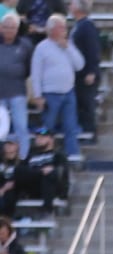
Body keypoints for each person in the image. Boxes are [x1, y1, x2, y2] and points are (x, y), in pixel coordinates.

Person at [28, 12, 80, 161]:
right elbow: (36, 73)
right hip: (50, 95)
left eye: (65, 27)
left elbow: (79, 65)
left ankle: (73, 157)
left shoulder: (68, 45)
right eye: (61, 27)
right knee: (47, 128)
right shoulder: (42, 48)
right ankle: (43, 157)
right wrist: (38, 95)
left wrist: (68, 48)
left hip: (69, 93)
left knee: (71, 127)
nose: (64, 30)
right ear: (52, 29)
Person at [0, 14, 32, 158]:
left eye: (12, 27)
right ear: (1, 28)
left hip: (18, 93)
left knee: (21, 127)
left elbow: (29, 69)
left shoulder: (25, 45)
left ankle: (23, 158)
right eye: (6, 27)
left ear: (17, 29)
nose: (9, 30)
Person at [68, 0, 98, 138]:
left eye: (72, 4)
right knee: (80, 104)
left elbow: (93, 50)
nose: (69, 6)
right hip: (78, 74)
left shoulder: (87, 26)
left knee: (87, 105)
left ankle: (89, 132)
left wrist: (91, 71)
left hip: (86, 73)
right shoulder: (78, 25)